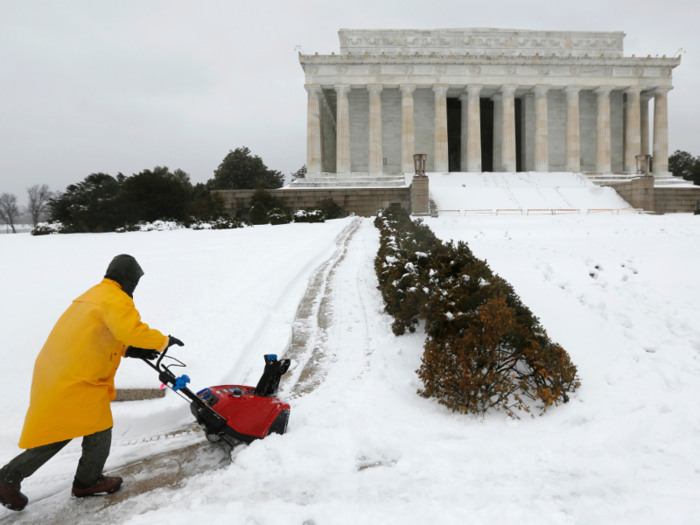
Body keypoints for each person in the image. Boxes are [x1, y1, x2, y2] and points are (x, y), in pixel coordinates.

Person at [0, 254, 183, 511]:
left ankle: (12, 478)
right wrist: (163, 341)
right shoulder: (115, 298)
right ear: (128, 278)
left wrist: (130, 350)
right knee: (96, 427)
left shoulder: (94, 294)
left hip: (60, 370)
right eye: (135, 281)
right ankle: (83, 482)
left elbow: (97, 333)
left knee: (67, 427)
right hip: (76, 376)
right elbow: (129, 329)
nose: (135, 286)